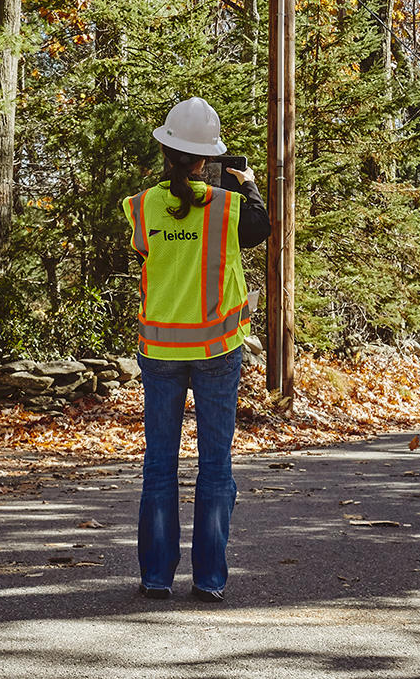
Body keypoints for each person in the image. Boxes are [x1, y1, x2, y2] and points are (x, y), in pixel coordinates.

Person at [122, 96, 270, 603]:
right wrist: (245, 181)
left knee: (159, 465)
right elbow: (260, 227)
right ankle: (209, 581)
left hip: (160, 352)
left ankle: (156, 577)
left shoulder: (139, 208)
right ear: (208, 159)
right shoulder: (230, 208)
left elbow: (150, 251)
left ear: (165, 151)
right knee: (215, 466)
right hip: (217, 353)